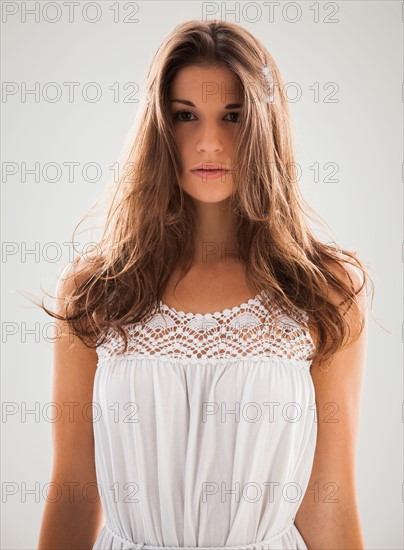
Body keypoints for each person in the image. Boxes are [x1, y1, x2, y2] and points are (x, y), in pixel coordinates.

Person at [37, 19, 373, 550]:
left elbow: (329, 497)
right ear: (159, 127)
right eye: (185, 116)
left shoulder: (325, 292)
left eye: (233, 117)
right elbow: (75, 491)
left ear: (265, 127)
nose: (210, 142)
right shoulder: (95, 290)